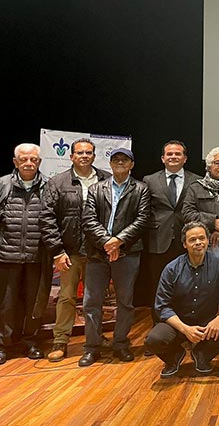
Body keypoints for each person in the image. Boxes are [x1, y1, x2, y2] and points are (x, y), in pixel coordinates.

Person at [40, 138, 110, 362]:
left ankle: (94, 338)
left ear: (94, 155)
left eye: (88, 152)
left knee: (95, 299)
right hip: (69, 252)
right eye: (79, 152)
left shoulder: (106, 180)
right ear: (71, 157)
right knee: (66, 297)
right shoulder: (58, 182)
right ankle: (60, 341)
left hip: (97, 252)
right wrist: (57, 251)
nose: (84, 156)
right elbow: (47, 218)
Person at [80, 148, 151, 366]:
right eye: (116, 159)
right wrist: (107, 242)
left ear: (132, 164)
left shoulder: (141, 188)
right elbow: (88, 219)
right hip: (97, 253)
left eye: (125, 160)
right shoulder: (96, 188)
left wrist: (118, 241)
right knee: (91, 301)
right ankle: (92, 347)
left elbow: (142, 219)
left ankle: (120, 343)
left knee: (125, 302)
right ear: (110, 164)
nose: (120, 162)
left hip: (127, 252)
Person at [145, 222, 219, 378]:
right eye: (192, 240)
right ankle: (174, 356)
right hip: (178, 322)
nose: (198, 243)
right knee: (153, 340)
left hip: (208, 321)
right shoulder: (171, 269)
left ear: (208, 241)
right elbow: (162, 306)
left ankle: (201, 355)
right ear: (184, 244)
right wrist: (184, 329)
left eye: (202, 238)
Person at [0, 143, 50, 363]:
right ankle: (4, 345)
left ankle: (31, 342)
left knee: (34, 304)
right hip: (6, 256)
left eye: (34, 160)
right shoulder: (2, 184)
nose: (29, 163)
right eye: (24, 159)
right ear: (15, 162)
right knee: (6, 304)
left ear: (39, 162)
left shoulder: (49, 186)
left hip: (37, 257)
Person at [142, 140, 201, 322]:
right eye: (169, 154)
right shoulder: (149, 180)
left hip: (188, 242)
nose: (173, 157)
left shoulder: (197, 180)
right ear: (162, 158)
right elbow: (145, 210)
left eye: (178, 154)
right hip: (159, 241)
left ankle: (186, 329)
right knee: (158, 287)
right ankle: (159, 330)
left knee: (189, 287)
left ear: (184, 158)